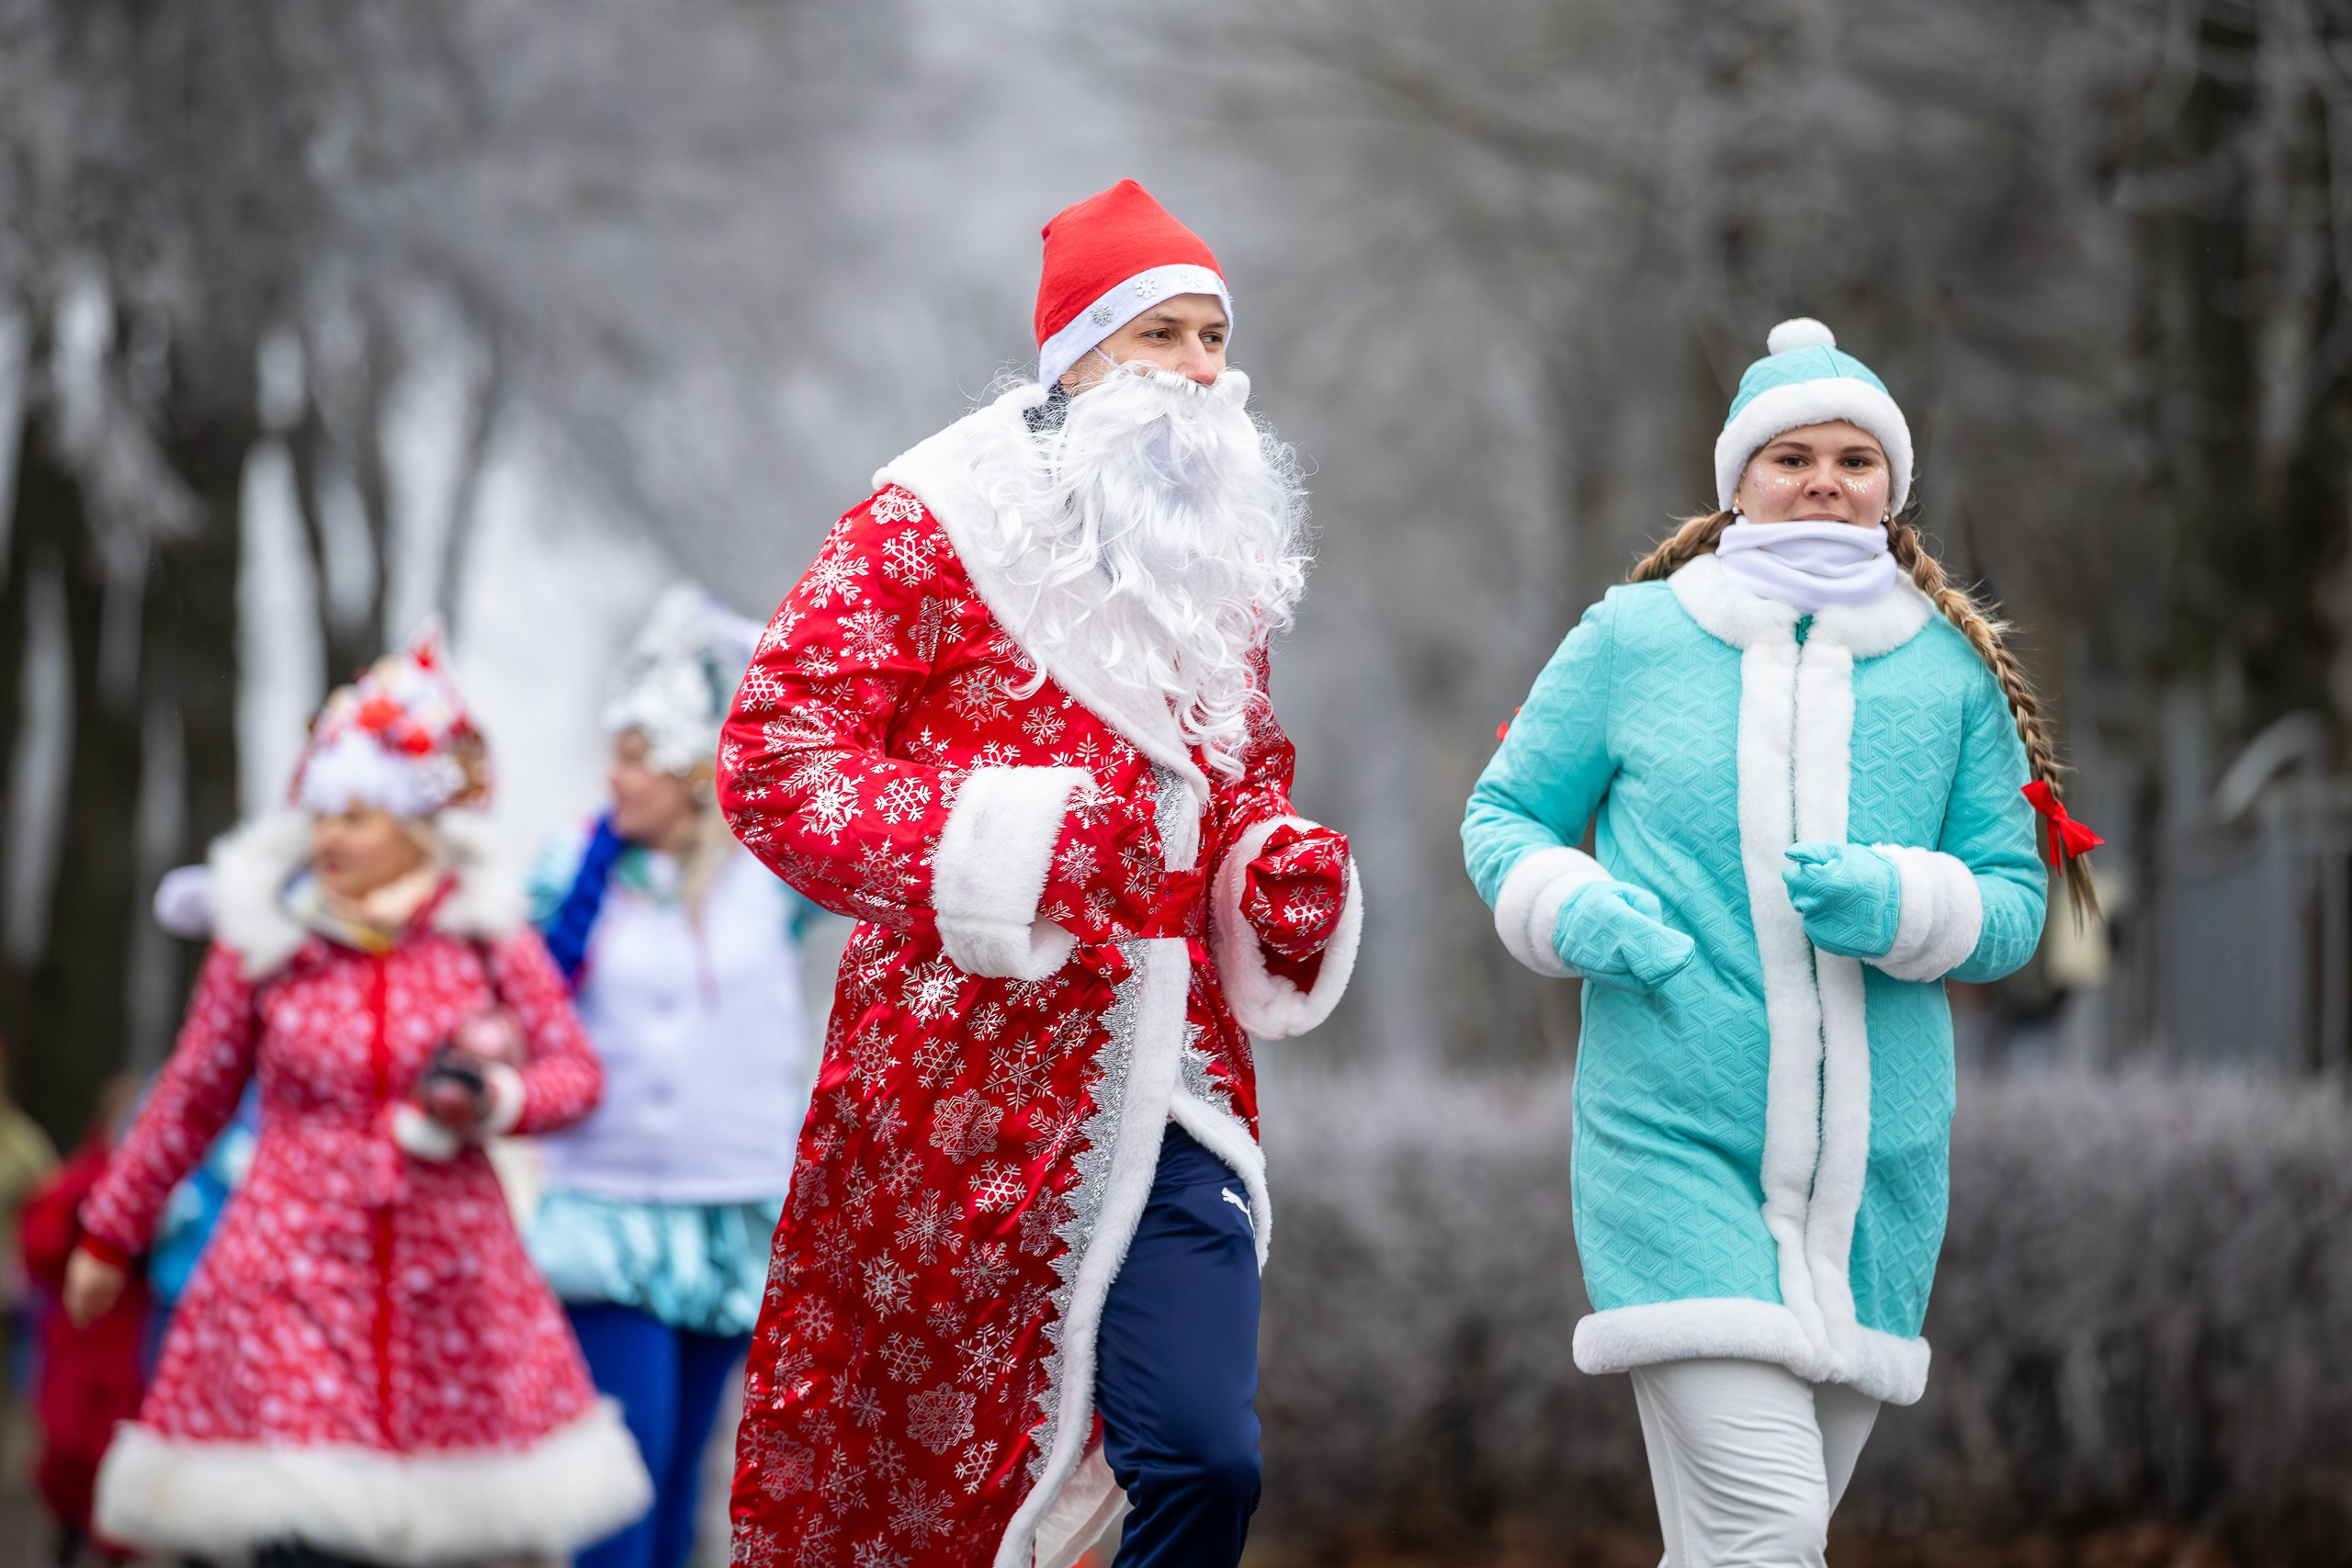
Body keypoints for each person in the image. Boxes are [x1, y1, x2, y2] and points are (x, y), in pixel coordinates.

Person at [718, 178, 1364, 1568]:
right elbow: (776, 755)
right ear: (1079, 352)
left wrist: (1272, 868)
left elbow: (1236, 781)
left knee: (1206, 1453)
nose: (1204, 371)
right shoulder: (926, 521)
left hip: (1174, 1077)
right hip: (950, 1089)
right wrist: (1029, 844)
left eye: (1214, 338)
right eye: (1165, 337)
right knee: (938, 1500)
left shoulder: (1217, 565)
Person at [1462, 320, 2097, 1568]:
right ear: (1737, 480)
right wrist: (1570, 903)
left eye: (1854, 459)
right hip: (1671, 1144)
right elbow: (1505, 812)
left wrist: (1903, 901)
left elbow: (2015, 899)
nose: (1822, 480)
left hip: (1878, 1179)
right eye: (1790, 455)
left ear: (1892, 485)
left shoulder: (1950, 674)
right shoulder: (1632, 637)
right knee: (1770, 1526)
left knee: (1737, 1544)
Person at [60, 633, 652, 1567]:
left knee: (423, 1546)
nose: (330, 837)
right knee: (305, 1535)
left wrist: (491, 1099)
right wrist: (108, 1232)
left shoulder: (483, 935)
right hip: (288, 1268)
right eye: (322, 815)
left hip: (448, 1285)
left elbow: (573, 1075)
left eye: (359, 817)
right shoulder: (266, 941)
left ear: (414, 827)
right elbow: (188, 1098)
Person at [526, 583, 819, 1568]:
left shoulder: (767, 878)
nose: (613, 778)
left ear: (695, 770)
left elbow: (872, 822)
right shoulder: (569, 868)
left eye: (635, 756)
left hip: (728, 1211)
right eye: (612, 752)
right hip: (604, 1217)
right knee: (617, 1495)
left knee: (680, 1494)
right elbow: (496, 985)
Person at [20, 1074, 144, 1564]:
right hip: (76, 1336)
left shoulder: (172, 1189)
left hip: (127, 1341)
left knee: (113, 1454)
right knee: (64, 1445)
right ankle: (66, 1535)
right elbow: (41, 1247)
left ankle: (110, 1546)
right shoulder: (76, 1181)